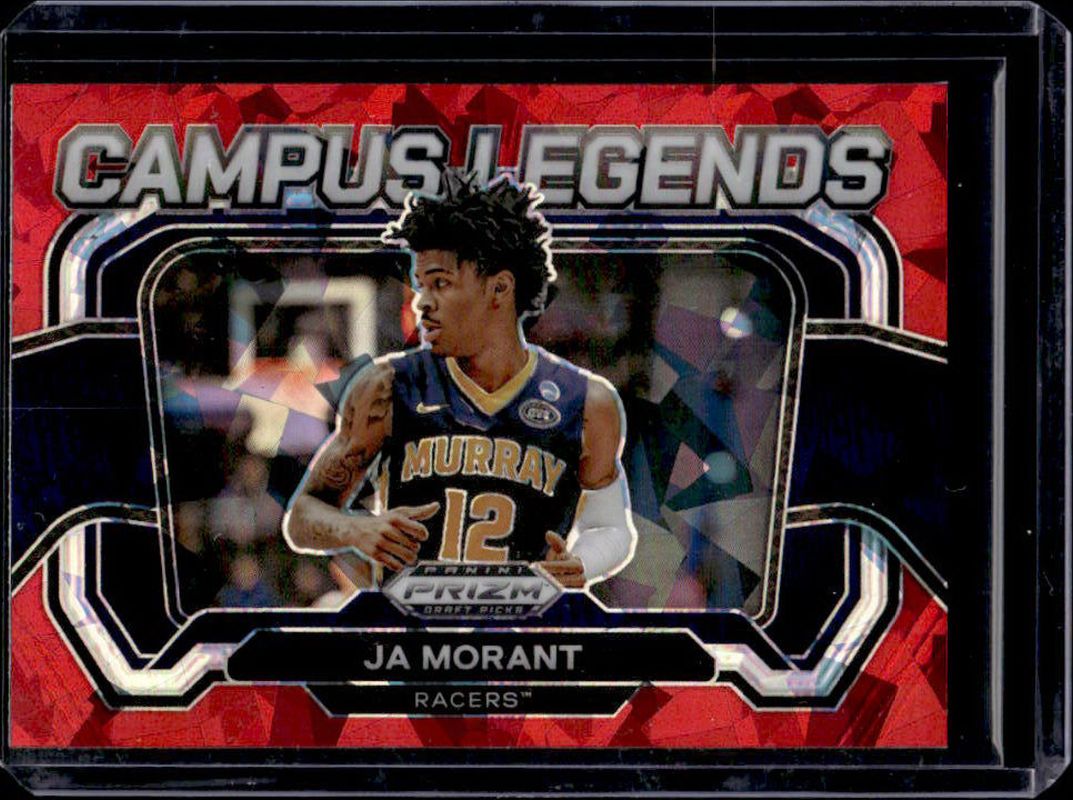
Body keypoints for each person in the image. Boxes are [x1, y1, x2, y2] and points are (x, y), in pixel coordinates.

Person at [283, 172, 634, 588]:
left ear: (499, 289)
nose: (422, 303)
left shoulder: (587, 402)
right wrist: (358, 530)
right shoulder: (386, 387)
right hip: (413, 626)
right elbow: (302, 516)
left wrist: (582, 562)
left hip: (525, 626)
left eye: (440, 284)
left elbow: (611, 529)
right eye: (420, 286)